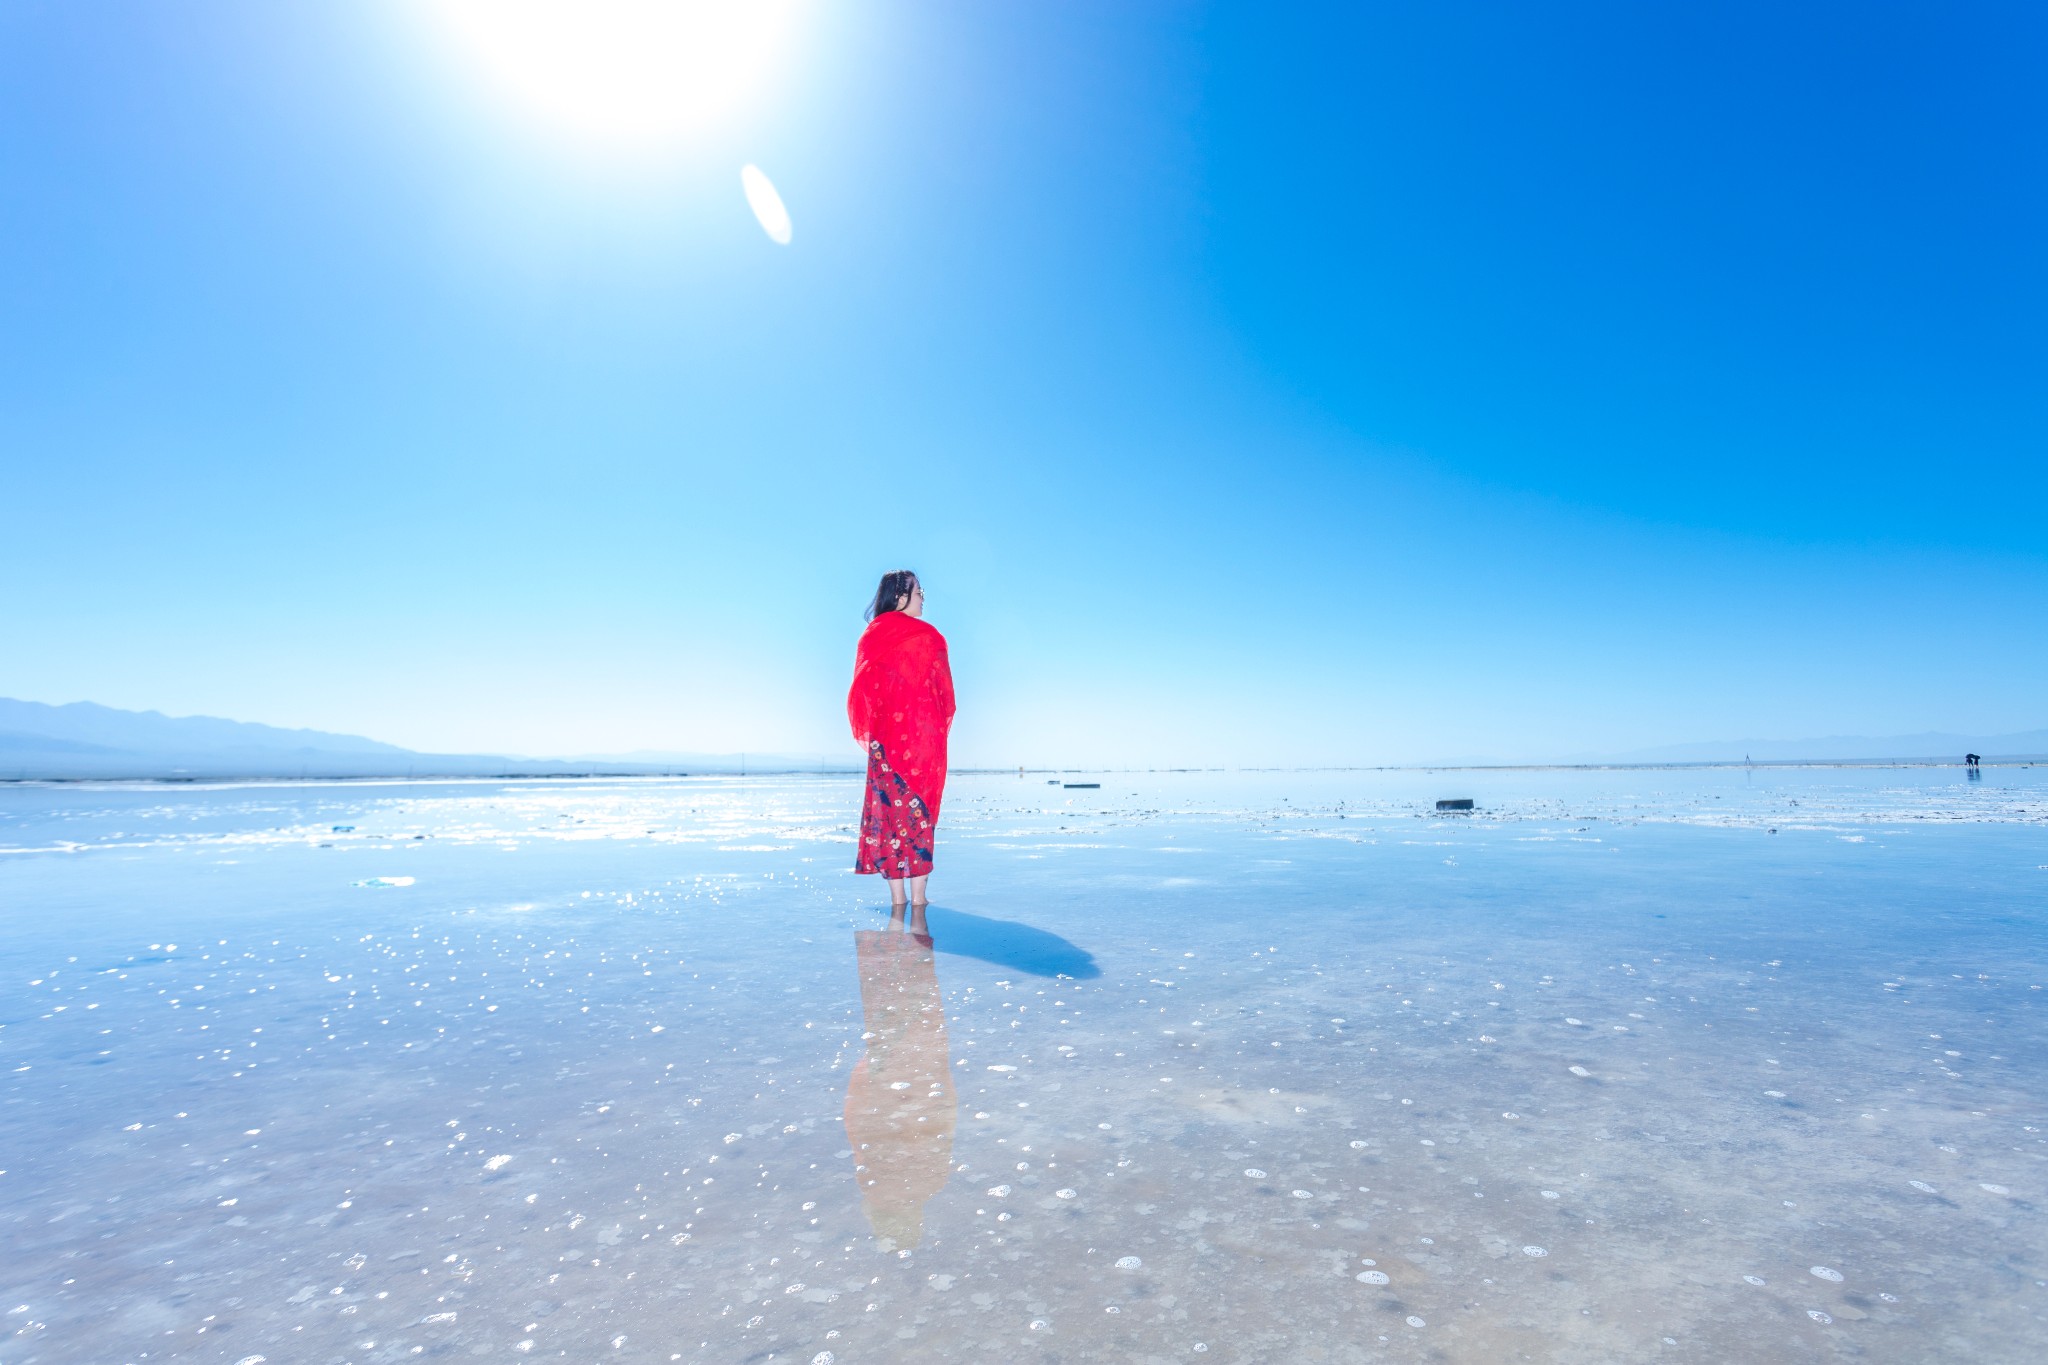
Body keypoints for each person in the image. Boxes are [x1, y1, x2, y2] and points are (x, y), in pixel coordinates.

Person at [847, 570, 956, 922]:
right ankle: (919, 900)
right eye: (918, 590)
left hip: (887, 740)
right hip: (922, 739)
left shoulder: (871, 637)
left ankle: (899, 902)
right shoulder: (930, 637)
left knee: (892, 815)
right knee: (920, 813)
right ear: (900, 596)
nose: (923, 596)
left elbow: (862, 692)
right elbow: (945, 695)